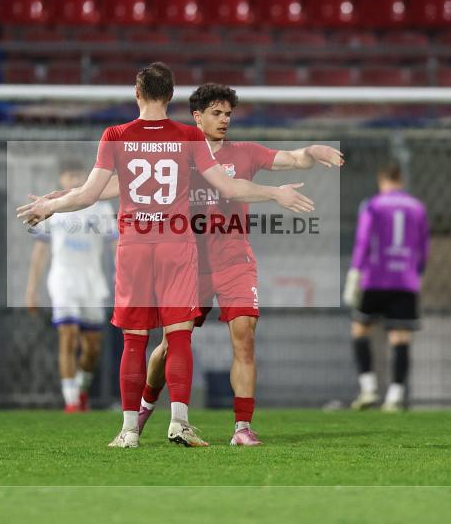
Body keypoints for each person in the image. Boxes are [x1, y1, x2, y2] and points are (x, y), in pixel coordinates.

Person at [17, 62, 314, 448]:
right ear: (171, 96)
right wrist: (275, 193)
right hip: (176, 246)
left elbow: (91, 193)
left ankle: (128, 431)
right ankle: (179, 423)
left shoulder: (115, 135)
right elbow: (228, 187)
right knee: (178, 337)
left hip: (135, 246)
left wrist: (52, 205)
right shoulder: (188, 136)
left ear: (137, 93)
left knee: (135, 339)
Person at [128, 83, 343, 446]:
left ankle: (242, 428)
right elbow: (123, 181)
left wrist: (312, 151)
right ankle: (145, 407)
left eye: (228, 114)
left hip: (235, 263)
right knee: (168, 346)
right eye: (216, 113)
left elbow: (291, 159)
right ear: (197, 117)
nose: (224, 120)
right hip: (189, 264)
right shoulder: (177, 155)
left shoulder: (245, 152)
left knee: (245, 339)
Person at [26, 159, 117, 413]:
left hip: (91, 281)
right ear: (61, 179)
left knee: (93, 346)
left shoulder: (101, 209)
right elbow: (40, 253)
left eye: (78, 175)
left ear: (86, 177)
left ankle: (81, 387)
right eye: (69, 175)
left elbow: (115, 245)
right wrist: (31, 289)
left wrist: (121, 274)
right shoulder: (53, 209)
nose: (74, 179)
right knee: (68, 336)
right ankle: (71, 401)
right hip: (63, 279)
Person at [343, 163, 429, 412]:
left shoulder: (373, 205)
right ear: (401, 180)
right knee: (400, 336)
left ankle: (368, 388)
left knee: (360, 329)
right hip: (405, 280)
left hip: (375, 277)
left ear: (382, 179)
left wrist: (355, 272)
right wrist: (418, 272)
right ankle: (395, 396)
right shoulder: (417, 207)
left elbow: (363, 240)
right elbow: (424, 246)